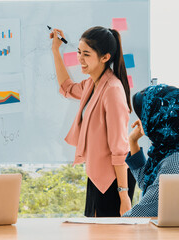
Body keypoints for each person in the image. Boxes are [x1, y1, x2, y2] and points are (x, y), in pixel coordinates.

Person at [50, 26, 136, 217]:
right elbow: (67, 88)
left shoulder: (112, 89)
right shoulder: (92, 84)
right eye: (79, 52)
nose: (80, 58)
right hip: (98, 175)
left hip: (114, 180)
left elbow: (119, 148)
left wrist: (124, 195)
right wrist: (56, 50)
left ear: (105, 57)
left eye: (86, 54)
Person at [123, 84, 179, 217]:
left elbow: (143, 212)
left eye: (144, 116)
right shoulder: (165, 150)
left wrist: (111, 227)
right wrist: (132, 141)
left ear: (157, 119)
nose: (140, 121)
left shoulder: (173, 162)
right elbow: (147, 185)